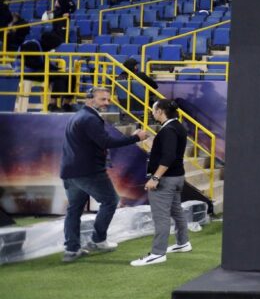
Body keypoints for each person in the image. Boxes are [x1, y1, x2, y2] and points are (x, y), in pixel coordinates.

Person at [60, 87, 148, 263]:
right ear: (90, 100)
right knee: (110, 201)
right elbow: (106, 142)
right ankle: (97, 240)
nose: (107, 103)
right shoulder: (90, 119)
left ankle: (71, 250)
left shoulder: (78, 116)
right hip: (89, 172)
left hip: (70, 172)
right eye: (102, 100)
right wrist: (136, 138)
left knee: (74, 210)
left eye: (108, 99)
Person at [132, 99, 190, 266]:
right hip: (177, 177)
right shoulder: (176, 126)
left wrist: (155, 178)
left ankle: (158, 253)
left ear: (161, 112)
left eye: (153, 110)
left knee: (161, 217)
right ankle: (183, 242)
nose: (152, 112)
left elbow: (168, 156)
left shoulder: (169, 130)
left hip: (166, 179)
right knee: (176, 211)